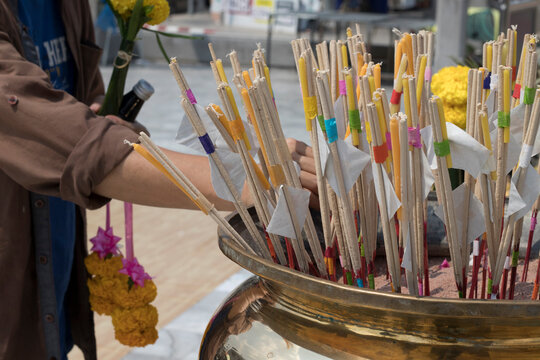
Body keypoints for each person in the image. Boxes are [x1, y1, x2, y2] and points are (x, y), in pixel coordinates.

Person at [0, 0, 318, 359]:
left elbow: (85, 104)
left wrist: (114, 125)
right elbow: (63, 141)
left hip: (53, 280)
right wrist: (247, 180)